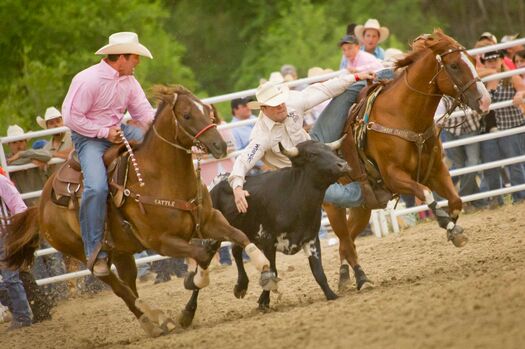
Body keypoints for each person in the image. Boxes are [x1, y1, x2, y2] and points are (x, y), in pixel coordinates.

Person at [62, 32, 155, 277]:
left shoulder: (129, 81)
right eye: (135, 57)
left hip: (118, 129)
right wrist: (104, 132)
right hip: (89, 139)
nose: (138, 62)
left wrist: (164, 128)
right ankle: (95, 251)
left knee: (159, 146)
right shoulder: (88, 80)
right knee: (96, 188)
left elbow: (144, 111)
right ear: (121, 58)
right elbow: (71, 118)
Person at [229, 70, 375, 213]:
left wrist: (356, 76)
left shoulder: (292, 102)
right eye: (275, 104)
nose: (281, 106)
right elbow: (244, 160)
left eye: (281, 102)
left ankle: (380, 76)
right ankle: (373, 191)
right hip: (301, 174)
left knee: (351, 89)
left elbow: (325, 89)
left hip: (315, 145)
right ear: (264, 108)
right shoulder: (261, 135)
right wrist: (237, 187)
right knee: (338, 196)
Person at [479, 50, 525, 205]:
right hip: (488, 128)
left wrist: (520, 94)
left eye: (495, 59)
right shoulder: (483, 80)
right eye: (489, 60)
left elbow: (522, 88)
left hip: (510, 125)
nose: (492, 62)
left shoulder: (510, 76)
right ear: (484, 63)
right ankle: (495, 199)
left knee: (514, 162)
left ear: (500, 59)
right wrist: (491, 72)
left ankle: (520, 196)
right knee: (490, 165)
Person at [0, 174, 33, 330]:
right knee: (10, 280)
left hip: (5, 236)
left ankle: (22, 316)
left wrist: (18, 232)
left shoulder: (0, 181)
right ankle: (21, 312)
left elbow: (18, 205)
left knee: (10, 278)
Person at [5, 125, 51, 203]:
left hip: (41, 201)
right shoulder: (6, 160)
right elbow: (10, 164)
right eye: (14, 142)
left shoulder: (32, 153)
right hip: (22, 204)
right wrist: (30, 159)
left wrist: (22, 154)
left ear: (26, 142)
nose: (18, 144)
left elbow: (48, 155)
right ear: (9, 145)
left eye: (21, 141)